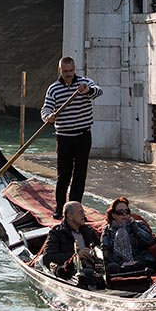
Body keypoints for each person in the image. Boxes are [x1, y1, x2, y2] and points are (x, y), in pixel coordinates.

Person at [41, 56, 102, 219]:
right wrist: (48, 117)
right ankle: (60, 208)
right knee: (63, 175)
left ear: (74, 70)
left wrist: (87, 90)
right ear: (60, 70)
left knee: (79, 175)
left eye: (71, 71)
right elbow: (46, 108)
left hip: (83, 136)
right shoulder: (53, 89)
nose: (68, 74)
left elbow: (98, 91)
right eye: (65, 71)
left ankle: (75, 210)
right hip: (64, 137)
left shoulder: (84, 82)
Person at [41, 201, 100, 284]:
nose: (84, 215)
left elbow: (98, 247)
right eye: (80, 212)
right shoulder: (57, 233)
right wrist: (76, 256)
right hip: (70, 271)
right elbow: (48, 257)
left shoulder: (88, 231)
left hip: (92, 266)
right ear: (70, 216)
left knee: (113, 267)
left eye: (83, 212)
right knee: (88, 273)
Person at [101, 197, 156, 275]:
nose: (124, 214)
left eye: (126, 211)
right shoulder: (108, 231)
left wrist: (136, 228)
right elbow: (105, 250)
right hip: (121, 265)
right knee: (116, 268)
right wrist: (120, 263)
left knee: (142, 266)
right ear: (113, 215)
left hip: (142, 261)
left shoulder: (138, 224)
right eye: (120, 212)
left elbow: (149, 241)